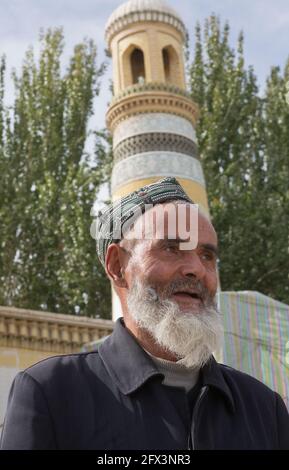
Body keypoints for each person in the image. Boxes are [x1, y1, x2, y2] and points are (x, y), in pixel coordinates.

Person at [1, 177, 289, 450]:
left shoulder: (264, 408)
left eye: (207, 256)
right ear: (117, 266)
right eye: (172, 248)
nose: (197, 270)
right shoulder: (53, 394)